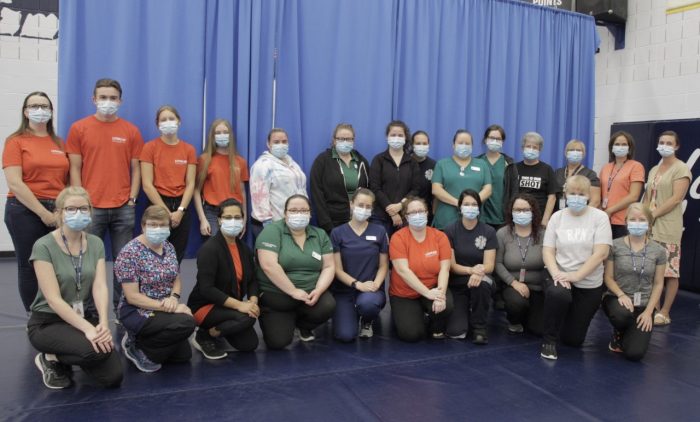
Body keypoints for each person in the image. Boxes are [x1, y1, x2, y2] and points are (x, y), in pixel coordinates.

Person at [27, 187, 122, 389]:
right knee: (95, 351)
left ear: (90, 211)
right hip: (48, 322)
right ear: (59, 212)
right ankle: (49, 357)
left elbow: (99, 287)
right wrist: (88, 329)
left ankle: (69, 354)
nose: (78, 213)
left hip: (82, 315)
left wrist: (104, 324)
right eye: (71, 208)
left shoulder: (95, 243)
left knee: (114, 377)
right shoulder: (43, 246)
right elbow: (53, 299)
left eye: (83, 208)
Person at [66, 79, 144, 310]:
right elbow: (74, 167)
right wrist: (81, 201)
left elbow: (136, 168)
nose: (107, 102)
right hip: (91, 208)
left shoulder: (130, 130)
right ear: (94, 99)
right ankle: (87, 310)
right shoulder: (79, 128)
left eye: (112, 98)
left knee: (123, 263)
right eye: (103, 97)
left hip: (123, 206)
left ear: (120, 101)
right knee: (86, 262)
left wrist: (132, 198)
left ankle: (122, 309)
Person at [3, 91, 68, 312]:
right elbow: (15, 183)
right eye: (34, 106)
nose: (40, 110)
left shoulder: (59, 142)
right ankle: (36, 316)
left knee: (58, 265)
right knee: (30, 265)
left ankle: (58, 311)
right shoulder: (15, 141)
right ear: (25, 111)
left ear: (51, 111)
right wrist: (43, 213)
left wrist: (60, 211)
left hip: (57, 210)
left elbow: (66, 181)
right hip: (24, 210)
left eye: (44, 106)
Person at [115, 205, 195, 372]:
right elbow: (132, 297)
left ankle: (147, 339)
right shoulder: (130, 253)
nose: (158, 229)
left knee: (183, 356)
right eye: (153, 225)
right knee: (187, 322)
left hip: (164, 306)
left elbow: (176, 278)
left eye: (163, 225)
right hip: (137, 310)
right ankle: (134, 345)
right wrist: (170, 309)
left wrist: (174, 297)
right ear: (143, 226)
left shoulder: (169, 247)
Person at [541, 175, 612, 360]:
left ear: (588, 195)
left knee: (573, 340)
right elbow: (548, 250)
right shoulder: (557, 217)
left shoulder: (600, 217)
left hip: (589, 283)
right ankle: (548, 340)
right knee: (558, 295)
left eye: (581, 194)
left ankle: (564, 319)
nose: (576, 197)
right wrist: (556, 273)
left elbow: (601, 253)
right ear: (565, 194)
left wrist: (577, 275)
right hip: (560, 277)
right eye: (572, 193)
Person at [255, 195, 336, 349]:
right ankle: (282, 319)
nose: (299, 214)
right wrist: (292, 291)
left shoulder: (320, 234)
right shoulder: (271, 231)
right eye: (293, 210)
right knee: (278, 343)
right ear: (285, 213)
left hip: (309, 295)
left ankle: (303, 325)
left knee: (328, 305)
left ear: (310, 214)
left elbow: (329, 266)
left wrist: (319, 290)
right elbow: (268, 265)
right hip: (277, 297)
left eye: (304, 210)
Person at [187, 198, 259, 359]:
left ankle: (221, 327)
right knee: (246, 318)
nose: (233, 221)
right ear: (219, 220)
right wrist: (240, 305)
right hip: (205, 306)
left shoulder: (245, 249)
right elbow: (207, 289)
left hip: (229, 306)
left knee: (250, 344)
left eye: (237, 217)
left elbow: (253, 279)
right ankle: (205, 334)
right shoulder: (210, 249)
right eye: (227, 217)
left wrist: (253, 301)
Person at [603, 203, 665, 361]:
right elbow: (608, 277)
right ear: (626, 221)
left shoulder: (658, 251)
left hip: (644, 304)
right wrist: (621, 295)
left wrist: (649, 311)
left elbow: (658, 284)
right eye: (633, 219)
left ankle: (629, 333)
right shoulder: (615, 246)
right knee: (621, 315)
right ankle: (619, 332)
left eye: (642, 220)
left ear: (650, 224)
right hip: (618, 299)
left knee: (634, 354)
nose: (637, 223)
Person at [643, 131, 691, 326]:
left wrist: (653, 214)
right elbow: (647, 196)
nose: (664, 145)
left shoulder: (681, 169)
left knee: (670, 271)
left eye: (668, 143)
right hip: (649, 226)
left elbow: (676, 198)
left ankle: (664, 311)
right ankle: (653, 306)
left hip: (667, 226)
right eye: (661, 142)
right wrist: (643, 214)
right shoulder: (655, 168)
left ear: (676, 146)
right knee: (652, 269)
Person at [389, 196, 453, 342]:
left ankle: (434, 322)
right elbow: (403, 271)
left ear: (427, 213)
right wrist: (427, 293)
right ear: (406, 217)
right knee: (412, 335)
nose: (418, 215)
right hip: (404, 293)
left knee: (446, 306)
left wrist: (440, 294)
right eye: (413, 212)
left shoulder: (440, 236)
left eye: (421, 211)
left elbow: (445, 269)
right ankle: (408, 314)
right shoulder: (398, 238)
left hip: (433, 287)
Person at [330, 188, 389, 341]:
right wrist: (357, 284)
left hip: (371, 289)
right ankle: (349, 314)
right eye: (360, 205)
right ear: (351, 204)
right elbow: (336, 269)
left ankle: (367, 320)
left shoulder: (379, 231)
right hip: (346, 289)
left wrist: (376, 284)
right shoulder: (337, 233)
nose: (364, 209)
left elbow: (383, 265)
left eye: (368, 207)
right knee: (345, 336)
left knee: (368, 304)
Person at [140, 105, 197, 263]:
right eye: (163, 119)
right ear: (157, 124)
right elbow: (147, 184)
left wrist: (180, 211)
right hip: (157, 203)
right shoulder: (149, 148)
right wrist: (165, 212)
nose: (168, 122)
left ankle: (173, 288)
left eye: (171, 118)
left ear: (179, 121)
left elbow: (191, 184)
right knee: (153, 253)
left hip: (182, 207)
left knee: (176, 256)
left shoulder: (189, 149)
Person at [444, 189, 497, 344]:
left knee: (481, 284)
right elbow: (452, 266)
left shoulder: (488, 231)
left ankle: (480, 328)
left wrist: (478, 272)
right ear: (460, 207)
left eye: (474, 204)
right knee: (456, 332)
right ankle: (465, 311)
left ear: (479, 207)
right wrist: (470, 270)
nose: (470, 207)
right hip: (458, 283)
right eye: (466, 204)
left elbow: (489, 265)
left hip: (482, 279)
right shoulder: (450, 230)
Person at [495, 194, 546, 335]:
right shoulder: (502, 233)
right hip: (512, 285)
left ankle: (530, 317)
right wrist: (513, 283)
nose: (521, 213)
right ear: (511, 212)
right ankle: (514, 321)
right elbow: (497, 263)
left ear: (533, 211)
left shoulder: (543, 234)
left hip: (537, 287)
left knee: (538, 330)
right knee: (516, 304)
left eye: (525, 209)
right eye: (517, 210)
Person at [193, 119, 249, 238]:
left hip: (234, 212)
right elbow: (196, 191)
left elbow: (242, 192)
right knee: (215, 248)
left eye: (225, 132)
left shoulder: (240, 161)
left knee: (232, 249)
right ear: (212, 136)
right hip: (212, 212)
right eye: (218, 133)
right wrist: (202, 219)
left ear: (231, 135)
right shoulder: (204, 160)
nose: (222, 135)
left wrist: (244, 219)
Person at [310, 123, 370, 233]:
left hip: (359, 220)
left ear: (353, 141)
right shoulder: (323, 160)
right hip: (333, 222)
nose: (345, 142)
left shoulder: (361, 160)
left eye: (348, 139)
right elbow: (316, 193)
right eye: (341, 139)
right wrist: (326, 223)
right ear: (334, 140)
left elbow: (369, 190)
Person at [250, 128, 307, 238]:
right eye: (276, 142)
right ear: (268, 144)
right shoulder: (262, 165)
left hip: (294, 222)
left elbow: (302, 189)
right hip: (273, 224)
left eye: (284, 142)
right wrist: (269, 226)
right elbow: (259, 199)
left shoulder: (293, 164)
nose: (281, 145)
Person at [369, 120, 422, 236]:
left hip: (406, 216)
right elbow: (375, 188)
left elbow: (416, 189)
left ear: (405, 138)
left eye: (400, 135)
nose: (396, 138)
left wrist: (400, 206)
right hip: (380, 216)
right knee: (381, 251)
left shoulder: (412, 162)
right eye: (393, 135)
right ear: (387, 137)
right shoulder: (378, 160)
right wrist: (392, 212)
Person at [432, 130, 492, 230]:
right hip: (447, 219)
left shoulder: (482, 164)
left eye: (467, 143)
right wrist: (459, 203)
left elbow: (488, 189)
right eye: (460, 143)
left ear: (472, 146)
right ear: (453, 145)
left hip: (474, 219)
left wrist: (471, 204)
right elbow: (436, 190)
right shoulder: (442, 164)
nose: (464, 145)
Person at [504, 132, 558, 227]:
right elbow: (508, 194)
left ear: (540, 150)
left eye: (535, 147)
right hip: (517, 216)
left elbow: (552, 197)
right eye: (528, 146)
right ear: (522, 148)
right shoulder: (514, 168)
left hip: (539, 218)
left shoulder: (547, 169)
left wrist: (545, 219)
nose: (531, 149)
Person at [599, 131, 645, 239]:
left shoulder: (636, 166)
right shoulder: (605, 167)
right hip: (605, 219)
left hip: (623, 220)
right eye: (617, 144)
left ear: (629, 148)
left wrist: (610, 210)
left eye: (624, 144)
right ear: (611, 147)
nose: (620, 147)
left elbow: (634, 196)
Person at [476, 124, 516, 230]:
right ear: (485, 140)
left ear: (502, 142)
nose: (495, 141)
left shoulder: (509, 163)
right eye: (491, 138)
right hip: (480, 218)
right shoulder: (476, 162)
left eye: (498, 139)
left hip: (502, 219)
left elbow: (514, 192)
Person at [554, 139, 601, 211]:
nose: (575, 152)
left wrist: (582, 216)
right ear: (566, 153)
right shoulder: (558, 172)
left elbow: (595, 201)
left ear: (583, 154)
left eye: (578, 150)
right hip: (559, 214)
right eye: (572, 150)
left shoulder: (590, 174)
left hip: (580, 215)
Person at [411, 130, 437, 224]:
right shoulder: (405, 163)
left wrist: (433, 213)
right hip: (406, 212)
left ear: (429, 145)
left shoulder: (434, 165)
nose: (421, 146)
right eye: (418, 143)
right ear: (412, 145)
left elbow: (436, 194)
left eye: (424, 143)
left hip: (425, 214)